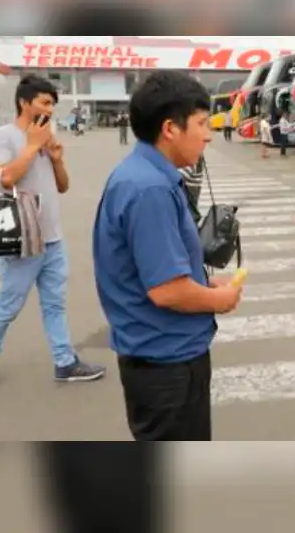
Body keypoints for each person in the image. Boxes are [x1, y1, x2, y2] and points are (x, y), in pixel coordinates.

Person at [92, 70, 243, 441]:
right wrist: (219, 299)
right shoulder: (150, 189)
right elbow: (167, 291)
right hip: (166, 362)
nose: (209, 134)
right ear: (170, 128)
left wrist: (202, 280)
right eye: (202, 123)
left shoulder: (145, 175)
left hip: (162, 355)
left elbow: (152, 264)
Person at [0, 75, 105, 392]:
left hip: (53, 238)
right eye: (45, 102)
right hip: (21, 240)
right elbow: (6, 178)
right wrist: (32, 146)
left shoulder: (49, 135)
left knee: (55, 304)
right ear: (24, 102)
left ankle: (64, 362)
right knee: (9, 304)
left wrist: (57, 159)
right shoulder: (2, 136)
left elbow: (62, 186)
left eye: (53, 105)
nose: (50, 110)